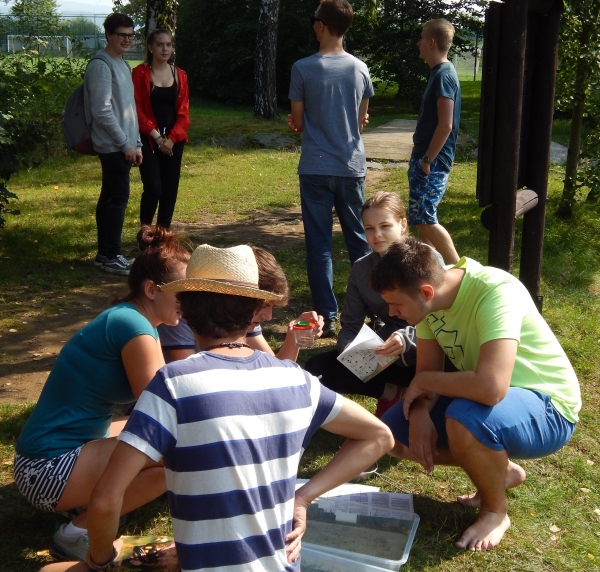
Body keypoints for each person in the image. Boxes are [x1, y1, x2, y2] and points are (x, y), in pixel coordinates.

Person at [29, 243, 394, 572]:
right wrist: (303, 497)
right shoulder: (294, 378)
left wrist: (103, 559)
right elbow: (379, 436)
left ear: (183, 307)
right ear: (256, 310)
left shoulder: (174, 383)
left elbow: (106, 499)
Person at [371, 238, 581, 551]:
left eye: (396, 304)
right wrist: (418, 413)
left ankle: (495, 511)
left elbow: (490, 387)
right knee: (392, 434)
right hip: (491, 399)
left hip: (550, 407)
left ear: (426, 292)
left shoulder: (494, 291)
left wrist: (425, 382)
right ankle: (498, 469)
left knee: (463, 418)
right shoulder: (429, 305)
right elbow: (425, 378)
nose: (391, 312)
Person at [13, 226, 190, 562]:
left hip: (46, 459)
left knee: (158, 440)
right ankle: (77, 531)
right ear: (152, 289)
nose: (191, 301)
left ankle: (85, 502)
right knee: (177, 455)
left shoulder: (132, 319)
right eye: (184, 292)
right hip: (46, 471)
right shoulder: (134, 327)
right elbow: (160, 409)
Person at [305, 191, 443, 418]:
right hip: (383, 355)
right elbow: (350, 324)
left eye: (385, 226)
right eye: (369, 228)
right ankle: (390, 393)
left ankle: (422, 399)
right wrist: (351, 352)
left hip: (426, 356)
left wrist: (406, 340)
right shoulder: (361, 269)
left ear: (403, 224)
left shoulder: (428, 259)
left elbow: (442, 319)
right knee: (316, 370)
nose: (377, 235)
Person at [287, 0, 374, 338]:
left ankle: (329, 315)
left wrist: (299, 122)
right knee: (360, 240)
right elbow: (361, 119)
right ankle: (373, 308)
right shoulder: (360, 68)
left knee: (319, 244)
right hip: (351, 166)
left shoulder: (302, 68)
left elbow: (296, 120)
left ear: (321, 26)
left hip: (315, 168)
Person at [159, 245, 323, 363]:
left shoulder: (242, 317)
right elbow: (189, 377)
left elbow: (276, 372)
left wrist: (295, 335)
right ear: (244, 299)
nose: (269, 316)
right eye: (264, 304)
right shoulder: (184, 317)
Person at [85, 12, 143, 276]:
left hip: (124, 144)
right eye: (122, 35)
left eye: (131, 35)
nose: (127, 40)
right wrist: (125, 144)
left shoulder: (122, 64)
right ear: (108, 35)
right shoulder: (101, 64)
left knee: (110, 196)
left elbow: (128, 110)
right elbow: (101, 110)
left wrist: (137, 143)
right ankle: (111, 255)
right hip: (112, 145)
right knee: (118, 198)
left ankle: (105, 254)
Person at [408, 18, 461, 265]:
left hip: (432, 160)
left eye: (421, 38)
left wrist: (428, 160)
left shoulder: (443, 75)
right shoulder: (440, 73)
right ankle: (429, 274)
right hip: (427, 158)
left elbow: (445, 124)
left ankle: (463, 275)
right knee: (422, 224)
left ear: (431, 42)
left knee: (424, 219)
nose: (418, 43)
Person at [132, 28, 190, 230]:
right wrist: (158, 138)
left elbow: (184, 113)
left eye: (168, 44)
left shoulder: (180, 75)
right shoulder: (139, 73)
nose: (165, 49)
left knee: (170, 190)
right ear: (150, 47)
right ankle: (146, 234)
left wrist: (172, 139)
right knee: (153, 188)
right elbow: (137, 110)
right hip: (148, 139)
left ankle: (163, 236)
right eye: (159, 44)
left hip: (174, 141)